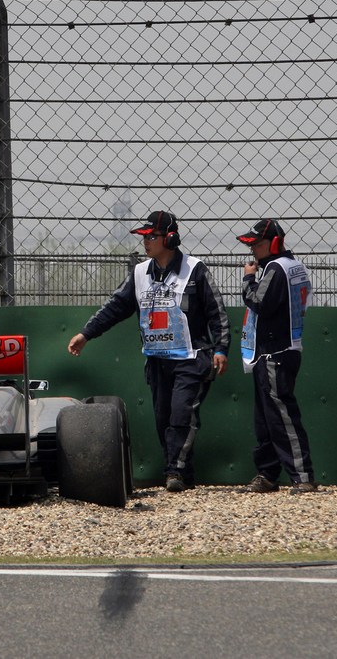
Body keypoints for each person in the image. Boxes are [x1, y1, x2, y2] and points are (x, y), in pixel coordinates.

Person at [67, 211, 231, 492]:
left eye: (151, 236)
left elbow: (218, 313)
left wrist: (221, 347)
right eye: (144, 237)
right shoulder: (140, 273)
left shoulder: (195, 269)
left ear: (170, 238)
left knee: (182, 415)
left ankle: (174, 472)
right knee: (163, 419)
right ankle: (182, 473)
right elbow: (116, 307)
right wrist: (86, 333)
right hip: (157, 360)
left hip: (191, 358)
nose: (146, 242)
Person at [235, 219, 318, 494]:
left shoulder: (275, 267)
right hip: (281, 349)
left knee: (282, 416)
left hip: (276, 353)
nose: (253, 252)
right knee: (265, 418)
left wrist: (248, 278)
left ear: (272, 243)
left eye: (256, 244)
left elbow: (259, 301)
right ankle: (268, 474)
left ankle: (302, 475)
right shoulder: (294, 266)